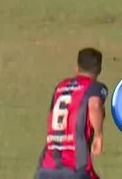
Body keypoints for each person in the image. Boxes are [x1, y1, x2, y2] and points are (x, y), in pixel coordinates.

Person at [35, 47, 107, 179]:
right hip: (75, 167)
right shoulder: (95, 87)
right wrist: (99, 135)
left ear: (77, 68)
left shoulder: (60, 87)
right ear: (99, 69)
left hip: (46, 165)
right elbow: (95, 105)